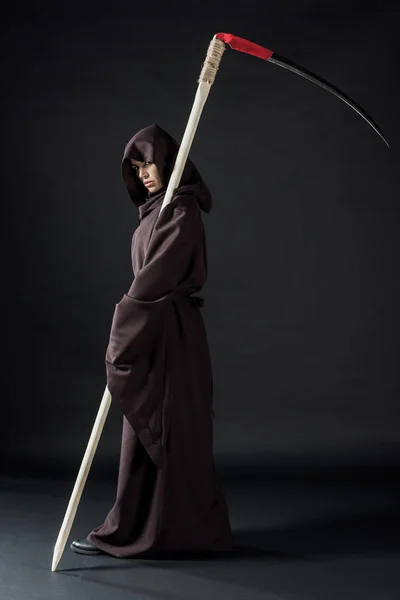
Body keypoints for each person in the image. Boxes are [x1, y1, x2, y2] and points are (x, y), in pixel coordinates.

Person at [70, 123, 232, 558]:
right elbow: (146, 280)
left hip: (171, 336)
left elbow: (154, 281)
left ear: (168, 162)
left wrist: (125, 322)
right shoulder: (157, 211)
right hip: (153, 331)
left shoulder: (182, 211)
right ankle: (133, 527)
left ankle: (178, 532)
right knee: (143, 431)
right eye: (136, 166)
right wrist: (135, 319)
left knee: (173, 430)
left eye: (149, 163)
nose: (143, 173)